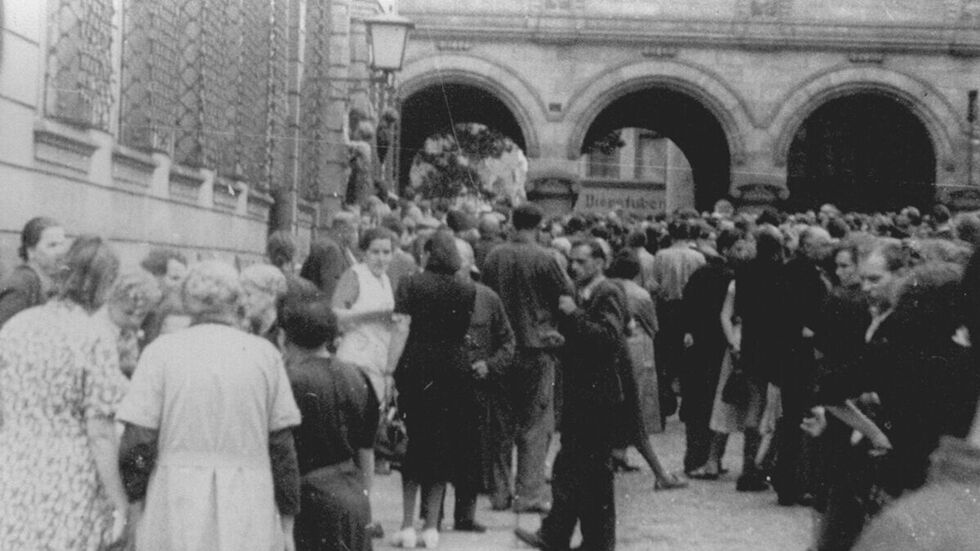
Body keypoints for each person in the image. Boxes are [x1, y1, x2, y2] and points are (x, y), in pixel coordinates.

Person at [116, 261, 302, 551]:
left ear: (188, 301)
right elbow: (281, 446)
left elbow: (139, 440)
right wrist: (287, 523)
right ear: (236, 300)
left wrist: (134, 504)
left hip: (174, 496)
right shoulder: (264, 356)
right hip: (248, 496)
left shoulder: (161, 353)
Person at [0, 235, 129, 550]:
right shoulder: (94, 336)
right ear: (104, 283)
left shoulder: (18, 326)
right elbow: (100, 431)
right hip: (69, 473)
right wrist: (119, 501)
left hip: (13, 462)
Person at [515, 239, 630, 551]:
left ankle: (583, 538)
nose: (574, 267)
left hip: (599, 397)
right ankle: (569, 535)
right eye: (572, 261)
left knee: (586, 470)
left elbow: (608, 339)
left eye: (581, 261)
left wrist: (575, 315)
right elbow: (585, 343)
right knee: (576, 469)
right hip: (583, 394)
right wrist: (561, 343)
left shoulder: (608, 292)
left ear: (599, 262)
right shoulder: (583, 293)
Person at [482, 204, 573, 513]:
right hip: (537, 347)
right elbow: (565, 295)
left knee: (501, 423)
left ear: (512, 223)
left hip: (502, 349)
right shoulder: (546, 258)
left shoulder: (495, 256)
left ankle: (499, 492)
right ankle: (529, 494)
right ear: (539, 225)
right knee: (536, 424)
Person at [391, 232, 476, 549]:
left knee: (413, 443)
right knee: (442, 444)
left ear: (427, 253)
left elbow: (401, 327)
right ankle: (431, 526)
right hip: (454, 368)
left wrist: (389, 369)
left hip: (416, 366)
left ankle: (406, 524)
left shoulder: (410, 284)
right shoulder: (467, 289)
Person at [280, 292, 380, 551]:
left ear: (286, 338)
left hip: (308, 500)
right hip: (353, 498)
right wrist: (365, 497)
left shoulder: (289, 381)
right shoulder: (358, 376)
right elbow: (366, 448)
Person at [452, 238, 516, 530]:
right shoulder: (434, 296)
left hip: (480, 388)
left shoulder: (488, 299)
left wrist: (490, 365)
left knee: (477, 450)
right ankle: (431, 515)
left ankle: (466, 513)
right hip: (445, 385)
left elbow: (507, 340)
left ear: (469, 265)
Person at [333, 227, 398, 404]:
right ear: (364, 253)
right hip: (356, 361)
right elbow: (336, 317)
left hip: (378, 362)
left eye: (386, 252)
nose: (381, 258)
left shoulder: (385, 279)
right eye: (375, 252)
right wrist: (375, 315)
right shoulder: (355, 275)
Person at [0, 216, 68, 328]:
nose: (61, 252)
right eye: (52, 245)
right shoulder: (22, 285)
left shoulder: (50, 281)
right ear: (31, 251)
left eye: (62, 244)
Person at [95, 269, 163, 377]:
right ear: (113, 300)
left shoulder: (127, 331)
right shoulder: (97, 331)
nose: (135, 321)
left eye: (142, 315)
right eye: (129, 313)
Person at [301, 211, 359, 300]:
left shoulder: (329, 245)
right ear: (343, 230)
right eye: (354, 230)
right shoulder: (331, 250)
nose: (356, 235)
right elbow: (331, 288)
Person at [138, 247, 189, 347]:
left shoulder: (178, 314)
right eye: (175, 278)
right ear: (154, 277)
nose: (181, 286)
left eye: (184, 280)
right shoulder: (135, 310)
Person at [240, 263, 289, 344]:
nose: (242, 301)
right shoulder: (244, 328)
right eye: (241, 295)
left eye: (248, 294)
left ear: (271, 295)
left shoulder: (283, 337)